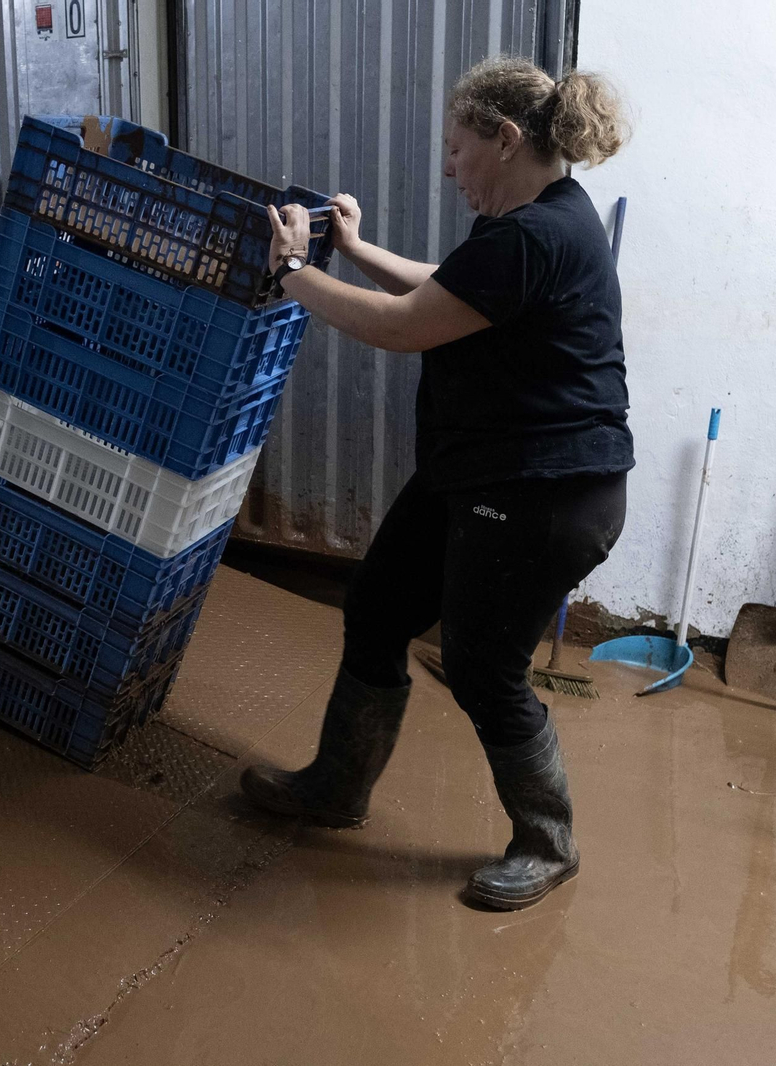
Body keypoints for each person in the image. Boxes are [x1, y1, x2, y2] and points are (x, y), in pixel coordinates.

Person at [244, 56, 634, 911]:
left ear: (504, 139)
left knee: (482, 666)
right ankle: (337, 789)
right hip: (480, 470)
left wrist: (293, 274)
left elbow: (401, 328)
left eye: (458, 148)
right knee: (379, 607)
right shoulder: (536, 220)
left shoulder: (538, 233)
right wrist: (347, 249)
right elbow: (444, 289)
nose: (449, 166)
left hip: (549, 492)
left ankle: (548, 842)